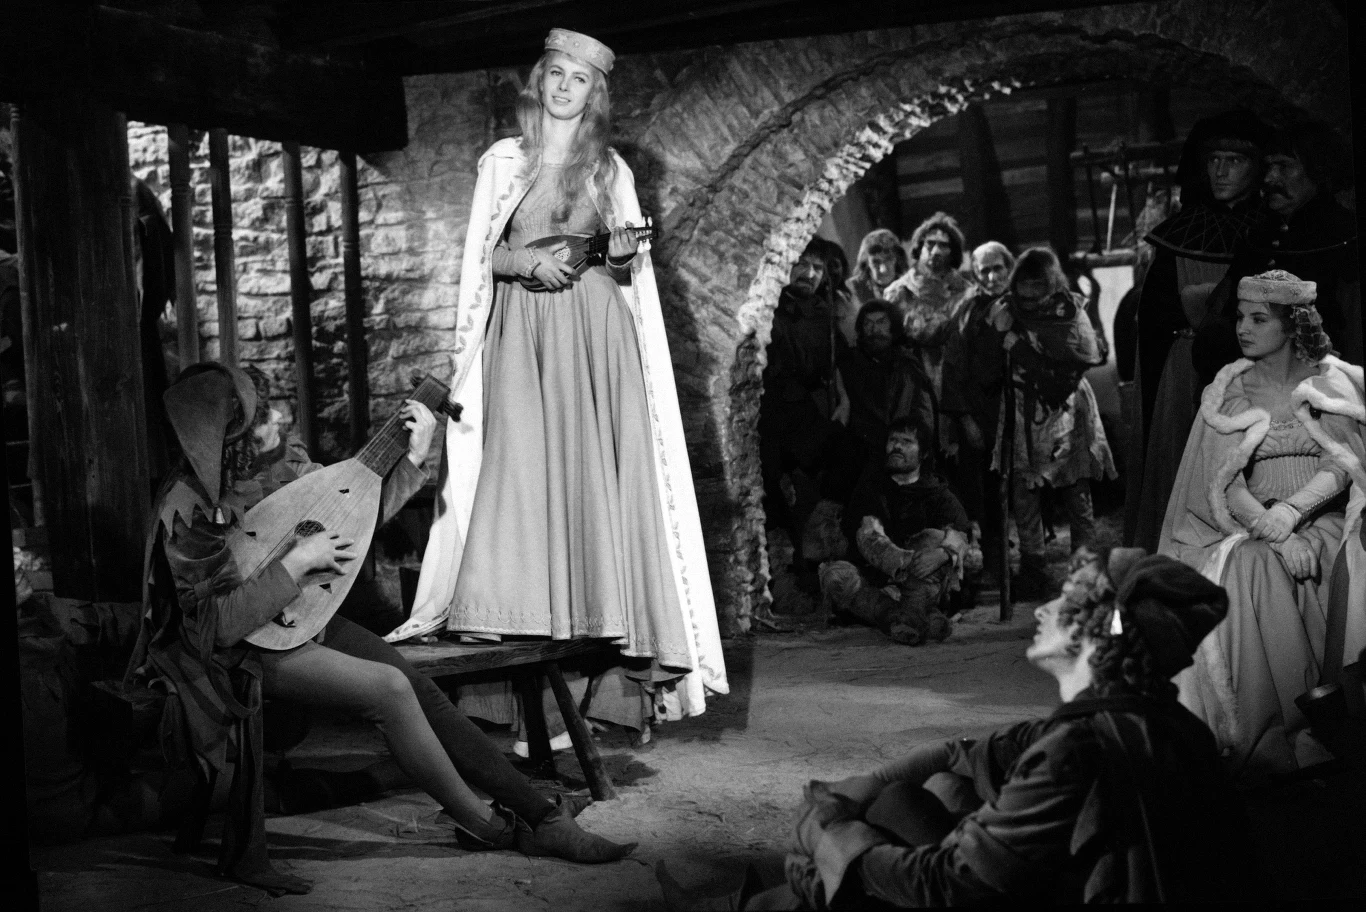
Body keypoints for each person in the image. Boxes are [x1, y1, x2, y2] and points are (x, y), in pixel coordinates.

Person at [125, 363, 635, 896]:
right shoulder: (186, 509)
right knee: (388, 690)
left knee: (418, 686)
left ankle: (541, 815)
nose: (272, 423)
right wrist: (297, 564)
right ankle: (488, 827)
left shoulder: (265, 472)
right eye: (257, 420)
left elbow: (349, 517)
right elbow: (219, 627)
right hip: (231, 653)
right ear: (224, 434)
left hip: (294, 617)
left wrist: (412, 458)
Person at [386, 30, 728, 739]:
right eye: (556, 74)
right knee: (522, 482)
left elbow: (625, 262)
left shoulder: (608, 168)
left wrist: (623, 253)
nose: (565, 87)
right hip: (523, 338)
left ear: (595, 94)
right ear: (538, 80)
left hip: (594, 335)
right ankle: (520, 690)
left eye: (580, 79)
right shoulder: (503, 161)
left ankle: (601, 690)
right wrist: (523, 264)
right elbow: (481, 255)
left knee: (592, 483)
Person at [659, 548, 1266, 908]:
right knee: (918, 792)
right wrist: (857, 789)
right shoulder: (1150, 719)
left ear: (1101, 631)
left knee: (875, 854)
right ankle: (771, 898)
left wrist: (835, 841)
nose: (1042, 610)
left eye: (1064, 602)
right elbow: (962, 750)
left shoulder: (1077, 749)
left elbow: (950, 886)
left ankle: (768, 901)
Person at [1159, 270, 1366, 783]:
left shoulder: (1328, 381)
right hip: (1246, 522)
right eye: (1239, 317)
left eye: (1258, 319)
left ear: (1293, 325)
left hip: (1323, 514)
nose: (1242, 328)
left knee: (1341, 554)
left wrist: (1292, 513)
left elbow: (1343, 462)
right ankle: (1273, 735)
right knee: (1252, 564)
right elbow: (1223, 481)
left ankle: (1329, 721)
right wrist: (1275, 529)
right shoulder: (1229, 390)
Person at [1129, 112, 1271, 554]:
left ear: (1257, 168)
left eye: (1234, 161)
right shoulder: (1181, 232)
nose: (1221, 171)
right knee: (1183, 471)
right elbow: (1156, 318)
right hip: (1185, 371)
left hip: (1257, 370)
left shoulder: (1271, 231)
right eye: (1213, 160)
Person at [1193, 122, 1361, 383]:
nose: (1270, 179)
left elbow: (1353, 328)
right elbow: (1223, 314)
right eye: (1269, 167)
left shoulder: (1345, 235)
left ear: (1318, 170)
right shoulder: (1259, 234)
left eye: (1283, 166)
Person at [991, 248, 1116, 598]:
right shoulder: (1007, 309)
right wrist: (998, 332)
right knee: (1024, 493)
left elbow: (1072, 369)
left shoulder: (1069, 315)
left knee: (1076, 493)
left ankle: (1085, 570)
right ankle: (1033, 568)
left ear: (1051, 286)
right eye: (1024, 292)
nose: (1029, 302)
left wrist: (1018, 347)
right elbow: (988, 356)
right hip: (1021, 408)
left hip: (1066, 409)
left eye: (1037, 292)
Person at [821, 419, 979, 646]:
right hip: (882, 578)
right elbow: (867, 537)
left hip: (926, 583)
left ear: (923, 453)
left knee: (934, 538)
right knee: (835, 576)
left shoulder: (939, 494)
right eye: (893, 440)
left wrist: (942, 554)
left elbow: (961, 535)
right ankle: (912, 618)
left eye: (906, 442)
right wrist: (903, 563)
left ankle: (904, 618)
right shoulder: (872, 489)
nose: (897, 446)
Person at [760, 239, 845, 575]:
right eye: (802, 264)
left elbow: (834, 363)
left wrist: (843, 396)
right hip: (774, 417)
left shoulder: (823, 313)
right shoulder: (770, 307)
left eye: (818, 268)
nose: (810, 274)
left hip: (810, 417)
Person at [941, 241, 1013, 583]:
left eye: (998, 268)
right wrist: (966, 419)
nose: (992, 276)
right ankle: (989, 564)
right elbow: (953, 368)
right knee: (981, 493)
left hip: (1016, 413)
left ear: (1009, 268)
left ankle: (1025, 565)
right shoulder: (967, 311)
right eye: (984, 270)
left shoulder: (1022, 306)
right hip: (979, 414)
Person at [825, 300, 936, 501]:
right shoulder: (850, 362)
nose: (874, 330)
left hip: (893, 447)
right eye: (868, 323)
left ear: (893, 327)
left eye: (881, 322)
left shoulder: (905, 366)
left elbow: (915, 414)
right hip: (856, 450)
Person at [883, 213, 973, 430]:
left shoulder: (968, 293)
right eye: (930, 244)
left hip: (957, 385)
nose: (936, 251)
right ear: (919, 247)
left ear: (953, 251)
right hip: (912, 384)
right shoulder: (898, 292)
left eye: (944, 245)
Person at [846, 228, 908, 309]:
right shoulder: (852, 289)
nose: (883, 270)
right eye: (875, 262)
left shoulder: (910, 286)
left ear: (897, 258)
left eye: (888, 259)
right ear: (866, 263)